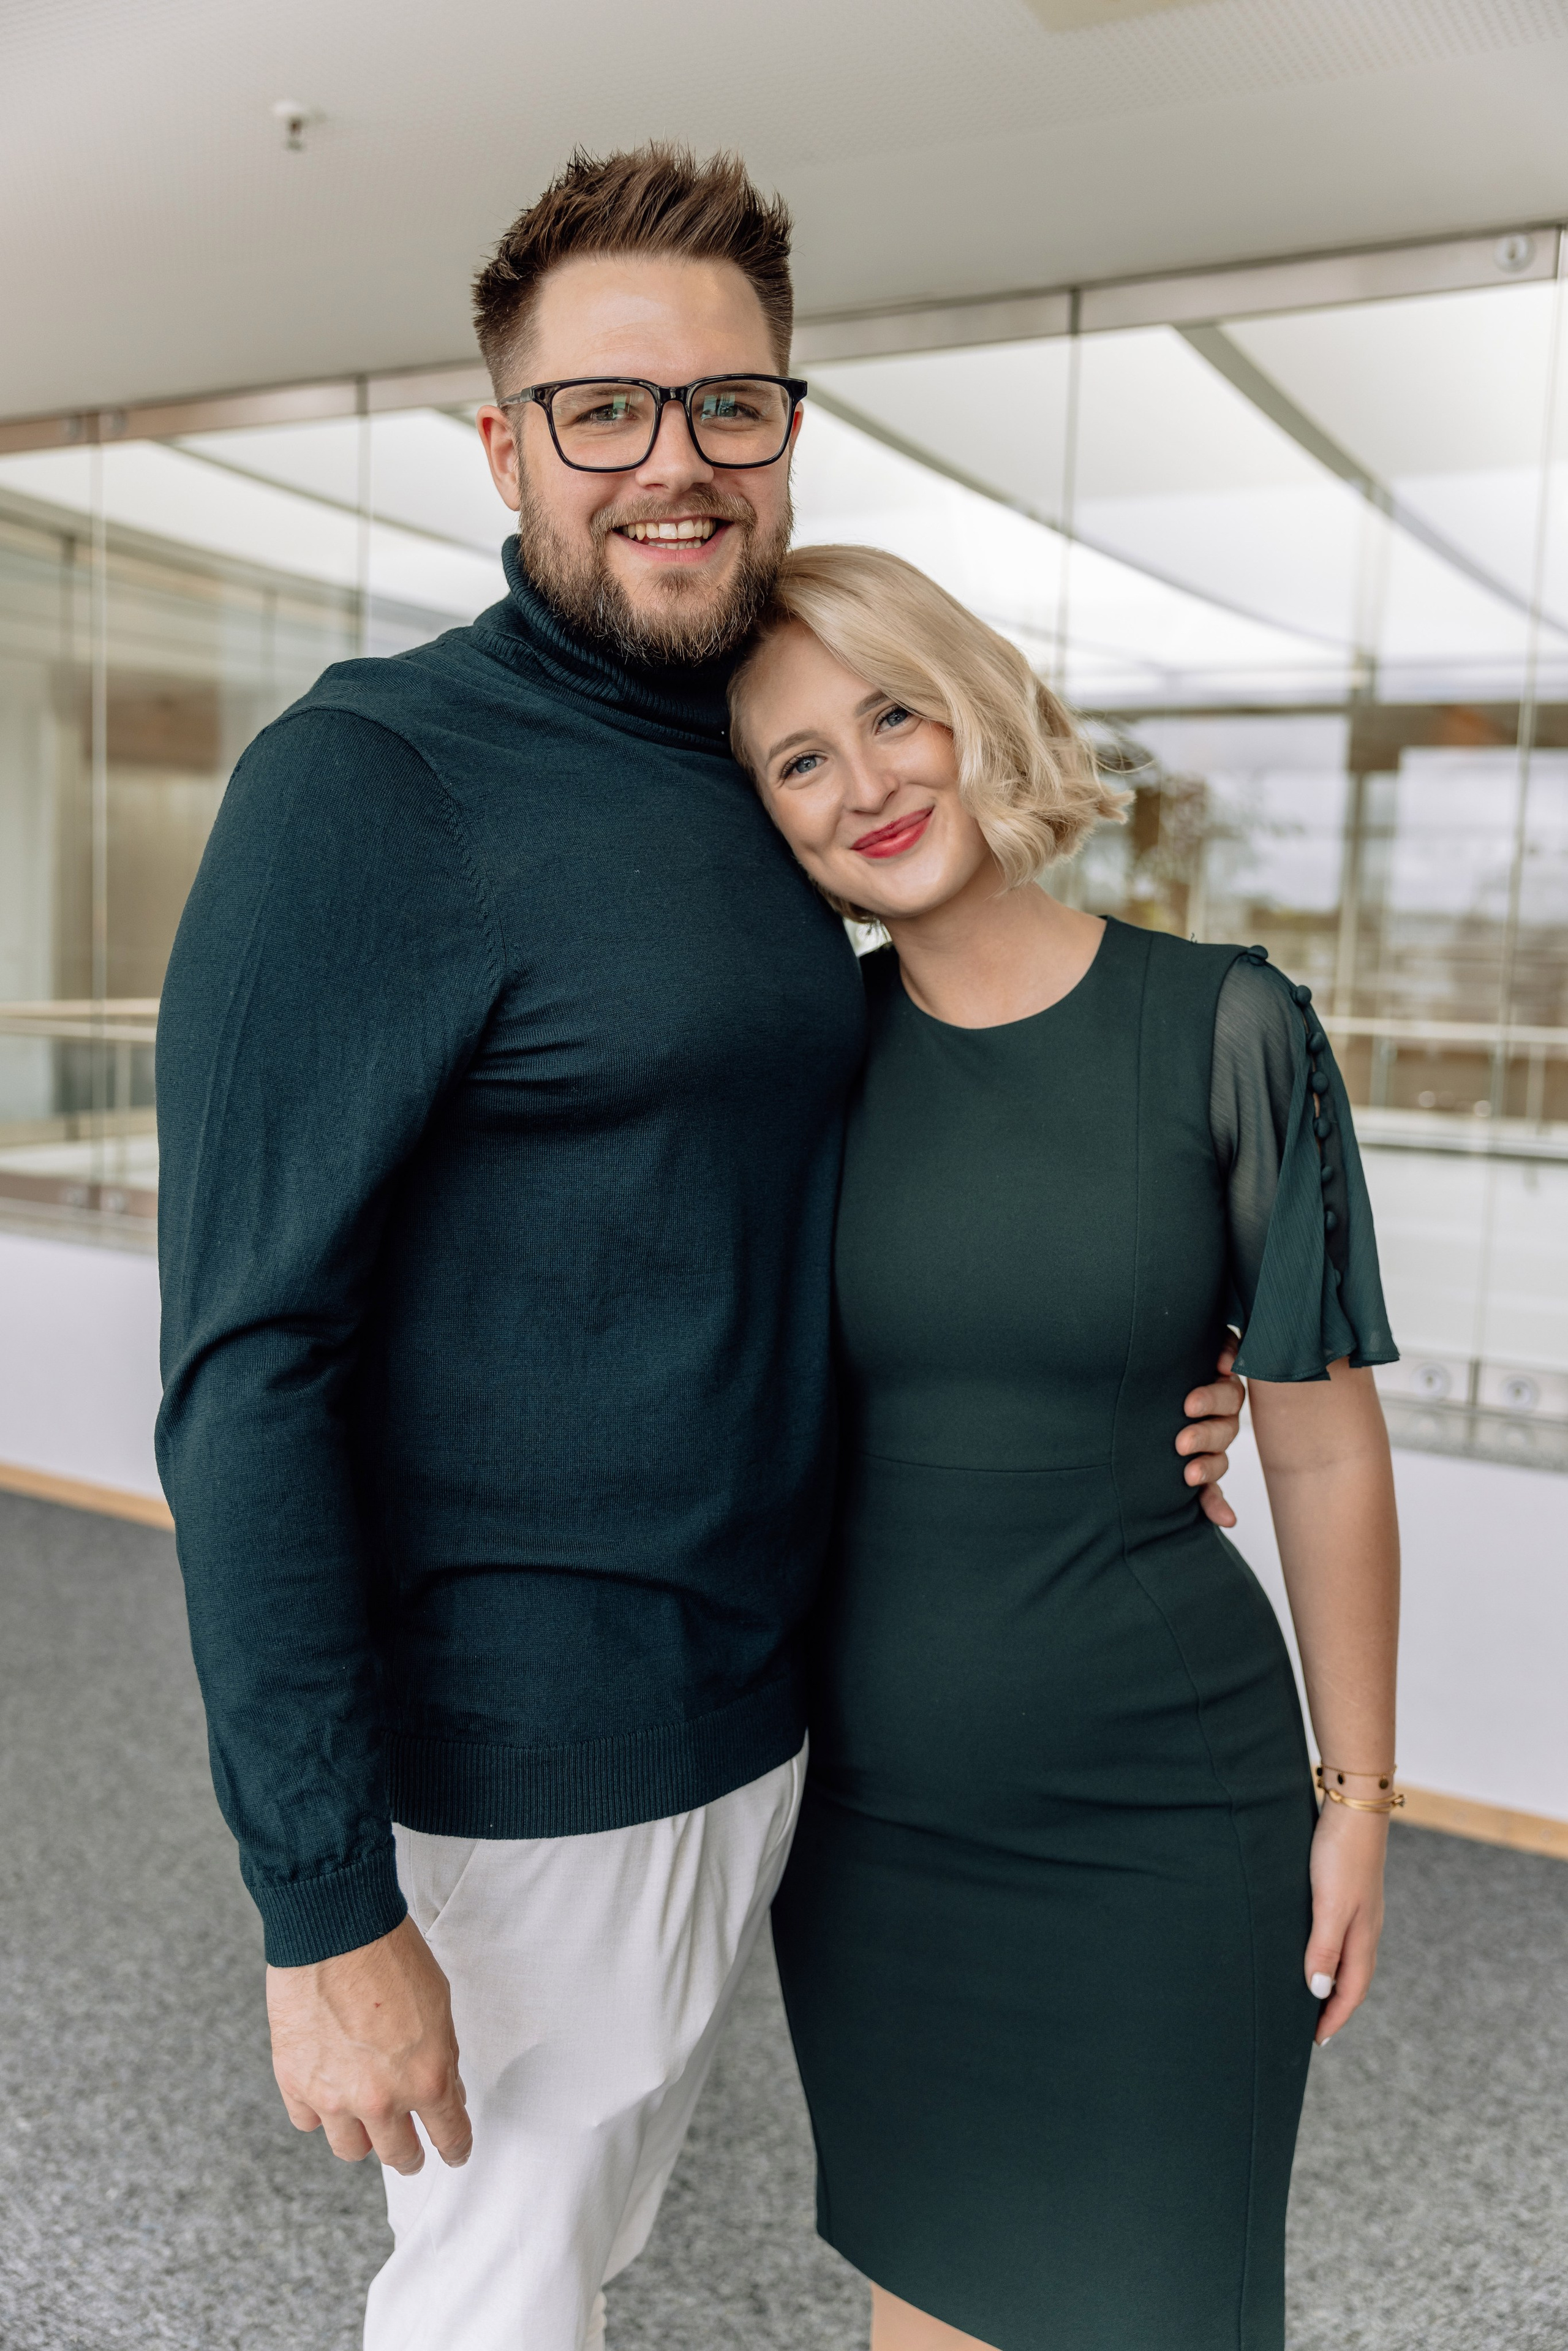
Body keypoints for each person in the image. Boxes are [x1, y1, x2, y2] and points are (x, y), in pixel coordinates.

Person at [154, 148, 1244, 2351]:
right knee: (493, 2306)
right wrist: (317, 1906)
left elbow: (798, 1204)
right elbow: (242, 1365)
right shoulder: (373, 782)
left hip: (761, 1713)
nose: (675, 462)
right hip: (525, 1755)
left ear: (785, 429)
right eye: (606, 412)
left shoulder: (757, 785)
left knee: (596, 2259)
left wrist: (1119, 1383)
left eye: (727, 407)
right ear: (505, 444)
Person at [728, 544, 1403, 2351]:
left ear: (978, 707)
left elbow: (1326, 1453)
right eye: (800, 760)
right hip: (874, 1823)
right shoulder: (802, 1064)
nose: (865, 781)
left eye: (891, 711)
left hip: (1166, 1812)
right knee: (932, 2300)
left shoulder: (1229, 1029)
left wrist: (1360, 1801)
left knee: (1163, 2308)